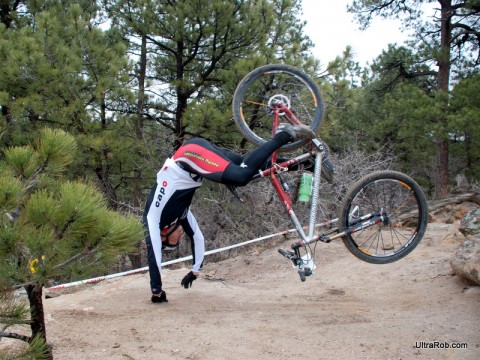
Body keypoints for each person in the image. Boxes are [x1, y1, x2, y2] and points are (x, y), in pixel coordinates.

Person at [143, 125, 316, 303]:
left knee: (240, 176)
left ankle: (285, 134)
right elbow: (197, 238)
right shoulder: (181, 214)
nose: (179, 240)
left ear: (164, 235)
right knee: (248, 166)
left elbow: (154, 255)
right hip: (193, 157)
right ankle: (308, 162)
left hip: (188, 158)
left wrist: (157, 292)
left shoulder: (152, 219)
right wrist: (195, 271)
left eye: (174, 243)